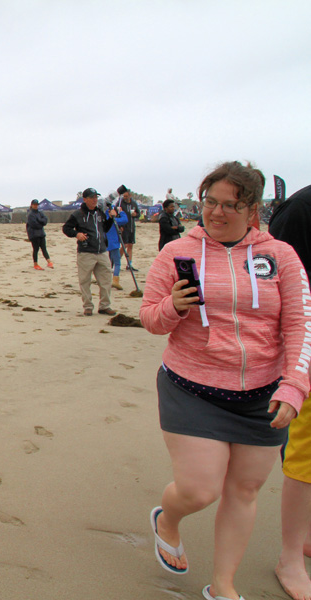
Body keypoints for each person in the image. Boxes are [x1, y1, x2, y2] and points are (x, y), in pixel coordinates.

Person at [140, 161, 308, 600]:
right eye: (210, 202)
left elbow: (300, 326)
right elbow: (150, 319)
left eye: (230, 205)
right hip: (191, 386)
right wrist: (174, 307)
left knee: (244, 490)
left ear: (253, 209)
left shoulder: (281, 256)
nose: (217, 212)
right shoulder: (177, 252)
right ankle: (168, 520)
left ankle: (224, 586)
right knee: (199, 490)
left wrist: (294, 385)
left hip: (262, 394)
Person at [269, 183, 311, 600]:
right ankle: (291, 558)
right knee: (304, 456)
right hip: (307, 353)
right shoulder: (300, 208)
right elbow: (277, 292)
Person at [62, 188, 117, 316]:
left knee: (106, 280)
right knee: (85, 281)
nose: (94, 200)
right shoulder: (78, 214)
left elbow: (105, 228)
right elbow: (66, 228)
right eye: (92, 197)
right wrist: (77, 234)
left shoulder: (99, 213)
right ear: (85, 199)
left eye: (96, 197)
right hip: (86, 252)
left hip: (102, 251)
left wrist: (111, 218)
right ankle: (88, 306)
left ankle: (104, 306)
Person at [104, 198, 129, 290]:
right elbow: (125, 220)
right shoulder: (113, 219)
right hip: (113, 243)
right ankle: (115, 279)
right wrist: (121, 212)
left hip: (105, 242)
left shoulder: (105, 218)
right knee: (117, 263)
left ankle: (105, 278)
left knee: (108, 261)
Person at [117, 185, 140, 270]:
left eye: (126, 196)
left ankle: (129, 264)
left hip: (131, 227)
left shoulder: (133, 203)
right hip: (124, 227)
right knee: (124, 245)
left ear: (130, 195)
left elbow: (138, 214)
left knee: (130, 245)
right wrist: (120, 226)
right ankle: (116, 262)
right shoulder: (120, 203)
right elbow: (117, 214)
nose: (125, 198)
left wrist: (135, 214)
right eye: (124, 196)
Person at [26, 199, 53, 270]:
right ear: (32, 205)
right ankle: (35, 264)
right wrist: (41, 223)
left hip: (41, 233)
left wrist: (40, 221)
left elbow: (45, 220)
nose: (36, 206)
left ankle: (49, 262)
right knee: (36, 249)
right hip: (34, 234)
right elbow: (34, 224)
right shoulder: (30, 215)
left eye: (36, 205)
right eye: (34, 205)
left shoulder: (40, 213)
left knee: (44, 248)